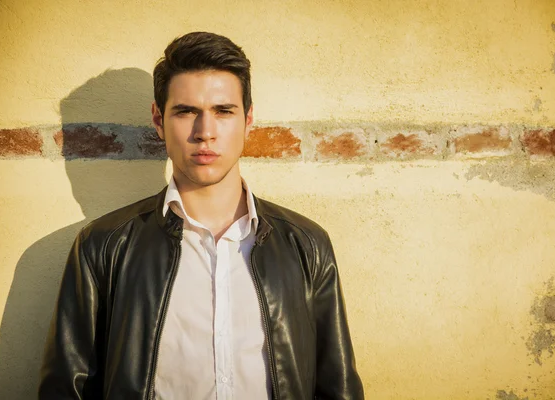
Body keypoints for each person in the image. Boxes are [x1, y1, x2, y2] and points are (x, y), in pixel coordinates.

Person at [39, 31, 364, 400]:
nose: (205, 132)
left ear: (248, 120)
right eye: (186, 111)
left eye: (223, 111)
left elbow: (338, 387)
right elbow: (65, 389)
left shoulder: (307, 244)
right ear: (159, 121)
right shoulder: (102, 245)